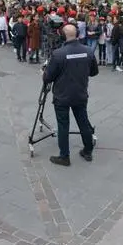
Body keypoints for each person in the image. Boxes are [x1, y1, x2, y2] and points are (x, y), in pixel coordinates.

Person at [42, 24, 97, 166]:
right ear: (77, 34)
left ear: (63, 36)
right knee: (83, 122)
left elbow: (48, 78)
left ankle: (64, 156)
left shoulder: (58, 54)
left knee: (63, 125)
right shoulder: (89, 51)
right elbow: (94, 72)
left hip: (62, 96)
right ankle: (88, 151)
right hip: (80, 94)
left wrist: (44, 73)